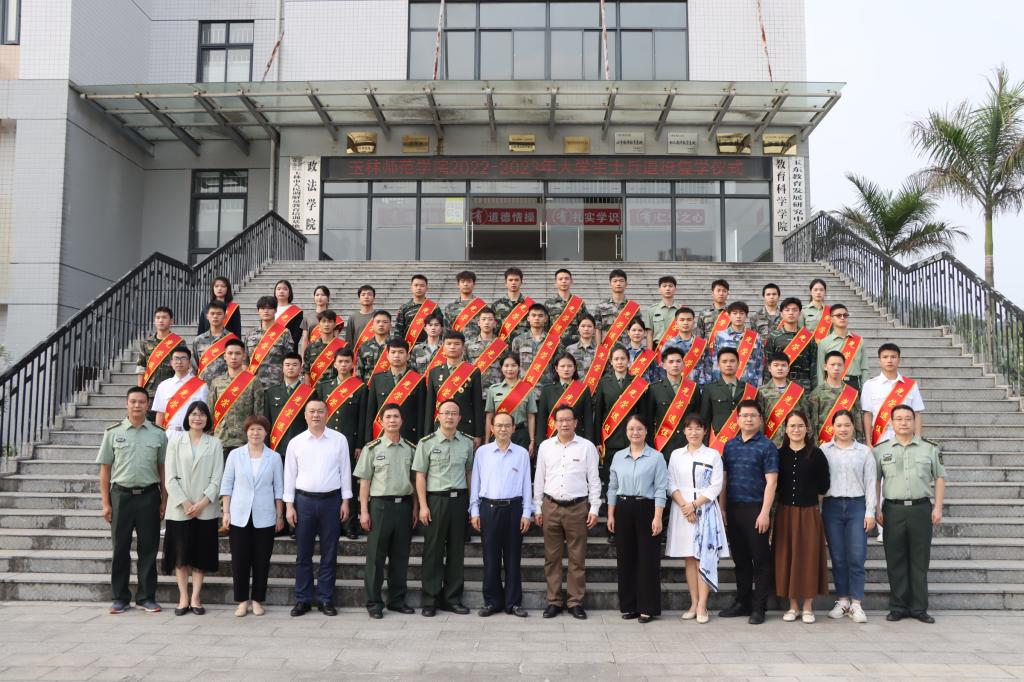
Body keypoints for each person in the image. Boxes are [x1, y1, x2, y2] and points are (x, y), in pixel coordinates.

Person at [96, 386, 168, 614]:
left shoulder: (158, 433)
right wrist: (105, 503)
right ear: (126, 404)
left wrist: (164, 500)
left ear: (148, 405)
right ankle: (120, 597)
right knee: (120, 548)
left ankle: (146, 597)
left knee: (148, 549)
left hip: (149, 496)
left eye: (141, 402)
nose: (137, 405)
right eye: (133, 401)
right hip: (121, 496)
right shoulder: (113, 433)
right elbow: (105, 471)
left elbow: (163, 469)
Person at [874, 404, 945, 624]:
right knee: (895, 559)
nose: (903, 422)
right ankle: (898, 607)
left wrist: (938, 507)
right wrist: (876, 507)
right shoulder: (881, 450)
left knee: (919, 560)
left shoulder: (929, 448)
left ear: (914, 421)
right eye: (899, 419)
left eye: (908, 418)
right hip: (893, 510)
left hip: (920, 508)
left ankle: (919, 608)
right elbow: (875, 481)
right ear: (891, 423)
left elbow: (939, 478)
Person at [283, 399, 353, 617]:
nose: (316, 415)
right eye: (311, 411)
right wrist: (289, 506)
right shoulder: (296, 442)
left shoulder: (339, 440)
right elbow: (289, 475)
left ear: (327, 414)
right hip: (303, 502)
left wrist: (346, 501)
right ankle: (302, 599)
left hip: (331, 502)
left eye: (320, 411)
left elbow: (345, 471)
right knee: (303, 554)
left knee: (329, 553)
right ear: (305, 415)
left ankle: (325, 599)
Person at [534, 405, 601, 620]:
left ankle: (575, 602)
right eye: (560, 420)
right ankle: (554, 601)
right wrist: (537, 506)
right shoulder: (545, 446)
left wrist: (595, 507)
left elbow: (594, 480)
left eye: (568, 419)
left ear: (575, 422)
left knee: (577, 558)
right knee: (552, 557)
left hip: (577, 507)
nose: (564, 424)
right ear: (554, 423)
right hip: (551, 506)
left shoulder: (587, 447)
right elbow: (539, 478)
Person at [355, 404, 418, 619]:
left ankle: (397, 600)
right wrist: (364, 511)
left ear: (402, 420)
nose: (392, 420)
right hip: (380, 507)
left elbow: (414, 481)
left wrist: (415, 508)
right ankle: (374, 603)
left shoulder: (411, 448)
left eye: (396, 416)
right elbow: (364, 483)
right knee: (376, 558)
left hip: (404, 507)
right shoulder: (372, 449)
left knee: (400, 557)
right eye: (388, 417)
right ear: (381, 421)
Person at [413, 400, 475, 617]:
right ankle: (430, 599)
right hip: (436, 501)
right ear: (438, 416)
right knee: (433, 551)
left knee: (457, 552)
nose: (450, 417)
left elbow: (469, 474)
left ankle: (452, 599)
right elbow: (420, 476)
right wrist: (423, 506)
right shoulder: (426, 443)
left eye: (454, 413)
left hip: (459, 501)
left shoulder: (467, 443)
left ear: (459, 418)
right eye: (446, 413)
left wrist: (471, 505)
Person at [719, 400, 778, 625]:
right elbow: (724, 480)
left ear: (760, 419)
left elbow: (771, 482)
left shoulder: (767, 446)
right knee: (741, 560)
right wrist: (722, 508)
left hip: (756, 509)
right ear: (737, 419)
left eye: (753, 415)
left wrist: (765, 513)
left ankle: (759, 607)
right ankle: (742, 602)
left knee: (760, 560)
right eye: (744, 415)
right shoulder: (730, 445)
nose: (748, 419)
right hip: (734, 509)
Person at [162, 402, 223, 616]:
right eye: (194, 414)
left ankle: (196, 597)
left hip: (205, 509)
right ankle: (183, 597)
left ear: (208, 419)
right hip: (180, 509)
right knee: (181, 555)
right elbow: (169, 477)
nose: (198, 418)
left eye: (202, 414)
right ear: (187, 417)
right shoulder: (175, 442)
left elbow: (217, 478)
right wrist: (185, 503)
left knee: (200, 555)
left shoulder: (215, 443)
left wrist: (203, 502)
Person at [666, 415, 728, 624]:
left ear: (704, 431)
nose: (694, 432)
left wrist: (694, 505)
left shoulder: (713, 455)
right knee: (689, 558)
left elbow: (716, 485)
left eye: (698, 428)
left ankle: (703, 604)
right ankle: (693, 603)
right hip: (682, 510)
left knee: (703, 557)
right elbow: (670, 483)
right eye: (690, 429)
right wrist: (686, 506)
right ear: (684, 431)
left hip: (705, 509)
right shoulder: (676, 455)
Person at [470, 411, 533, 618]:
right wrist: (474, 510)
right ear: (492, 428)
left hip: (514, 509)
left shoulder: (521, 453)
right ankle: (492, 601)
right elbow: (476, 483)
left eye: (507, 425)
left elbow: (527, 484)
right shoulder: (482, 452)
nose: (503, 429)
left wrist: (527, 512)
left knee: (513, 558)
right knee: (491, 558)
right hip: (489, 509)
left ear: (514, 428)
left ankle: (513, 603)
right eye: (499, 425)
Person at [221, 415, 285, 617]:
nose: (255, 433)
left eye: (259, 429)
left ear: (266, 433)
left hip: (265, 515)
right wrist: (226, 512)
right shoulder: (235, 455)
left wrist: (279, 515)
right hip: (239, 514)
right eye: (251, 429)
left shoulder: (274, 457)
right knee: (240, 559)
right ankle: (242, 601)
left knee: (261, 559)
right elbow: (227, 485)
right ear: (246, 432)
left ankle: (257, 599)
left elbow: (279, 489)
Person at [607, 416, 668, 623]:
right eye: (631, 429)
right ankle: (629, 605)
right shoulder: (618, 457)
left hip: (647, 508)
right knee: (626, 558)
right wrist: (610, 514)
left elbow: (661, 488)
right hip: (623, 508)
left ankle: (647, 607)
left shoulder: (656, 457)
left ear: (646, 431)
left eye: (639, 429)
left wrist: (658, 517)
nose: (635, 433)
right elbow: (612, 487)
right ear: (626, 432)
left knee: (647, 559)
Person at [773, 411, 830, 623]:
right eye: (792, 426)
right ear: (785, 429)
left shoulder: (816, 454)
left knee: (808, 557)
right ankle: (793, 606)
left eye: (800, 426)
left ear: (807, 428)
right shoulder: (779, 454)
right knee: (787, 557)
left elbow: (824, 485)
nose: (796, 430)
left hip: (809, 513)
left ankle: (807, 606)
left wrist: (809, 502)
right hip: (785, 512)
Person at [821, 409, 876, 623]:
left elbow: (871, 483)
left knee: (857, 555)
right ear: (832, 427)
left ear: (854, 427)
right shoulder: (824, 450)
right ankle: (843, 600)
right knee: (838, 556)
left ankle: (856, 604)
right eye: (839, 425)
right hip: (832, 507)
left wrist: (870, 512)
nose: (843, 429)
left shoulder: (864, 452)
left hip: (857, 506)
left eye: (847, 425)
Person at [317, 346, 368, 539]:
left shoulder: (360, 387)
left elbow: (363, 417)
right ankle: (332, 524)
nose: (344, 365)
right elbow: (317, 415)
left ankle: (350, 526)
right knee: (329, 482)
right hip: (326, 442)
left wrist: (360, 444)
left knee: (350, 484)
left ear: (352, 364)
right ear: (334, 364)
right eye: (340, 361)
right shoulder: (324, 387)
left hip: (350, 443)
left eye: (347, 361)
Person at [595, 347, 650, 505]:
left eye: (623, 359)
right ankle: (610, 509)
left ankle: (630, 507)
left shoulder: (637, 383)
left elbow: (643, 414)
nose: (619, 362)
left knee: (632, 477)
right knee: (611, 478)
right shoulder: (604, 383)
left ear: (628, 361)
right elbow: (598, 413)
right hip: (611, 439)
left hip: (633, 440)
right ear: (611, 362)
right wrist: (598, 441)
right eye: (616, 359)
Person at [424, 331, 484, 446]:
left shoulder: (473, 371)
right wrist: (427, 433)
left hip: (465, 427)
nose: (452, 347)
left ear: (463, 347)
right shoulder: (434, 372)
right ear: (443, 347)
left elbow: (477, 405)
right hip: (439, 427)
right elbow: (430, 405)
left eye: (457, 344)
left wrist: (478, 434)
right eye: (449, 344)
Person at [208, 338, 265, 459]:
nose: (233, 357)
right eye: (230, 353)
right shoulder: (216, 382)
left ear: (244, 355)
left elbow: (258, 414)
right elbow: (210, 412)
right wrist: (210, 437)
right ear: (224, 356)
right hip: (220, 441)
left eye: (237, 353)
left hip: (244, 442)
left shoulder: (253, 381)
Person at [365, 338, 427, 447]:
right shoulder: (377, 379)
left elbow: (421, 414)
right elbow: (370, 412)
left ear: (408, 356)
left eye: (401, 352)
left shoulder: (418, 380)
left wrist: (420, 441)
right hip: (381, 435)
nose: (397, 356)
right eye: (393, 352)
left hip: (409, 438)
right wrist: (368, 440)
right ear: (387, 356)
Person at [861, 342, 925, 446]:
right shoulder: (869, 385)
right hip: (880, 438)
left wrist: (917, 439)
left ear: (899, 360)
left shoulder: (911, 385)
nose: (889, 360)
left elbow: (917, 414)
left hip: (906, 438)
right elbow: (867, 415)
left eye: (893, 357)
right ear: (879, 360)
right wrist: (868, 443)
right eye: (885, 357)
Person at [648, 346, 701, 458]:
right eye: (671, 362)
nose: (675, 365)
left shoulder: (693, 388)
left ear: (683, 364)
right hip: (663, 445)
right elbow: (648, 420)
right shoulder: (654, 389)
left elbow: (698, 417)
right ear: (663, 365)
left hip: (688, 444)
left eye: (678, 361)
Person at [262, 353, 311, 462]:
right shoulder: (271, 392)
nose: (290, 368)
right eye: (287, 365)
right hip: (277, 446)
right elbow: (266, 421)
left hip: (300, 446)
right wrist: (266, 446)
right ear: (282, 368)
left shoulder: (309, 393)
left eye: (294, 365)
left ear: (301, 368)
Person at [484, 354, 537, 453]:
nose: (510, 369)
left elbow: (531, 416)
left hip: (520, 434)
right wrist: (487, 440)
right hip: (499, 433)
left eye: (513, 365)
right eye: (506, 365)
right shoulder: (493, 390)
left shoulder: (527, 389)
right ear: (501, 368)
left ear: (519, 367)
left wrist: (532, 440)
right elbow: (489, 416)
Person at [536, 352, 594, 443]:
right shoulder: (547, 391)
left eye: (569, 366)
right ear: (556, 368)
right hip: (553, 439)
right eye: (562, 366)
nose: (566, 369)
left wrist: (589, 442)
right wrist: (540, 443)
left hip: (577, 439)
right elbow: (542, 420)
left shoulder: (583, 390)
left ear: (574, 368)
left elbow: (588, 419)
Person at [809, 350, 866, 444]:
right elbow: (813, 424)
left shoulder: (852, 393)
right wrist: (815, 448)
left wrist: (860, 444)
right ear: (825, 367)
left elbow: (858, 422)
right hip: (824, 444)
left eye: (839, 365)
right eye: (832, 364)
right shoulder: (816, 393)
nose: (836, 368)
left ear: (844, 367)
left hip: (849, 445)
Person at [136, 307, 183, 415]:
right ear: (154, 320)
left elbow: (183, 368)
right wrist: (140, 390)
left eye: (164, 317)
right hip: (149, 391)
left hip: (170, 391)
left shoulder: (178, 342)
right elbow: (141, 367)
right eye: (158, 318)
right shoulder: (146, 343)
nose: (161, 320)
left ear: (171, 320)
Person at [757, 352, 810, 447]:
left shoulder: (797, 390)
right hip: (771, 442)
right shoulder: (762, 392)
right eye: (776, 365)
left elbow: (806, 417)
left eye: (783, 365)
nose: (780, 368)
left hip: (795, 442)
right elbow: (759, 419)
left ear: (788, 368)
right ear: (769, 368)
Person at [705, 301, 763, 387]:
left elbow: (759, 363)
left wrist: (759, 386)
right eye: (735, 313)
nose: (738, 316)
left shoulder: (755, 337)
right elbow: (715, 362)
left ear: (746, 316)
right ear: (729, 316)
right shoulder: (720, 336)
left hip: (749, 384)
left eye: (741, 313)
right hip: (725, 384)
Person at [700, 347, 754, 438]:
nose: (728, 364)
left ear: (738, 364)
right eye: (724, 362)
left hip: (744, 439)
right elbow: (705, 420)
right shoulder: (710, 389)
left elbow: (756, 419)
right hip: (718, 440)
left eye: (732, 361)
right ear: (718, 365)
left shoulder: (748, 389)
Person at [152, 347, 208, 434]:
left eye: (183, 358)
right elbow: (160, 413)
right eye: (176, 358)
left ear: (189, 362)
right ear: (171, 362)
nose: (179, 362)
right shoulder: (163, 386)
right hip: (169, 433)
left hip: (192, 433)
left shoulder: (201, 386)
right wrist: (158, 436)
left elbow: (205, 413)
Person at [245, 295, 296, 391]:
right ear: (258, 311)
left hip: (276, 383)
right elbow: (245, 360)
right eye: (262, 308)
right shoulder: (250, 334)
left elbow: (289, 359)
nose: (266, 311)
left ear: (275, 310)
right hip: (254, 383)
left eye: (269, 308)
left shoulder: (284, 333)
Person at [765, 297, 817, 391]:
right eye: (787, 310)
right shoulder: (773, 337)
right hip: (780, 385)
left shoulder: (808, 337)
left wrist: (814, 389)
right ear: (781, 313)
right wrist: (767, 387)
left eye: (794, 310)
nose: (791, 313)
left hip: (803, 385)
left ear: (800, 313)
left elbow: (814, 365)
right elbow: (767, 364)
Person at [815, 303, 869, 390]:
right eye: (838, 315)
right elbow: (821, 370)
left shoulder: (859, 341)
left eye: (845, 315)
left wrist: (865, 389)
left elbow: (865, 368)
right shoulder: (824, 343)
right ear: (831, 319)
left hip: (854, 384)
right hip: (832, 385)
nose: (842, 318)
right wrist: (822, 390)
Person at [510, 302, 563, 388]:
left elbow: (559, 365)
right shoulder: (518, 340)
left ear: (546, 318)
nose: (536, 318)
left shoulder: (554, 341)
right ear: (528, 318)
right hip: (524, 387)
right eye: (533, 315)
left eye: (540, 316)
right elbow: (513, 364)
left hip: (547, 387)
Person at [662, 307, 708, 385]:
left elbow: (708, 368)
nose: (685, 323)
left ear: (694, 322)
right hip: (676, 387)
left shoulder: (702, 344)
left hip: (699, 387)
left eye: (689, 320)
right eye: (682, 320)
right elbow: (663, 369)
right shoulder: (669, 344)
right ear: (676, 323)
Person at [544, 268, 590, 346]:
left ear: (571, 281)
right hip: (555, 345)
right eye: (560, 279)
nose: (564, 281)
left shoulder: (579, 303)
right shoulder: (548, 303)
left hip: (575, 345)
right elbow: (544, 326)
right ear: (555, 282)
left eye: (566, 279)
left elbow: (586, 323)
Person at [193, 300, 234, 384]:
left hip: (224, 386)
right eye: (212, 313)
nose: (215, 316)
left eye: (219, 314)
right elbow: (195, 365)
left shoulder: (232, 340)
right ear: (207, 316)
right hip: (203, 386)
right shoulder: (198, 340)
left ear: (225, 316)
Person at [465, 307, 504, 390]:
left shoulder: (502, 345)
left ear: (495, 323)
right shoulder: (468, 345)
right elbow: (464, 367)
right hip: (475, 388)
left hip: (496, 389)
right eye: (483, 319)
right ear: (479, 323)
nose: (486, 322)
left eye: (490, 319)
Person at [593, 268, 639, 337]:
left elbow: (637, 328)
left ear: (626, 284)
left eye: (621, 281)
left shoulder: (633, 307)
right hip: (607, 343)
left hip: (627, 343)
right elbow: (597, 329)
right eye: (615, 281)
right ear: (610, 284)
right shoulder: (601, 306)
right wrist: (598, 344)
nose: (618, 283)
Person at [303, 309, 343, 385]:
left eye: (330, 321)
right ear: (319, 324)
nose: (326, 324)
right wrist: (308, 391)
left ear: (335, 324)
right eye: (323, 321)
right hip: (315, 389)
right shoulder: (310, 348)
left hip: (335, 389)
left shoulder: (342, 347)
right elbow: (307, 372)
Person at [444, 270, 485, 342]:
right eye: (462, 282)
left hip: (477, 345)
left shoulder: (482, 306)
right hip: (456, 345)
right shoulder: (450, 307)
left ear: (474, 284)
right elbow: (446, 330)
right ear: (458, 284)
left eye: (469, 281)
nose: (465, 284)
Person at [492, 267, 532, 340]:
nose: (513, 282)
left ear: (521, 282)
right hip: (503, 345)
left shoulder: (530, 305)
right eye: (510, 280)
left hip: (524, 344)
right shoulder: (496, 305)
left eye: (516, 280)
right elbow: (492, 328)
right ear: (505, 283)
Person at [395, 274, 435, 346]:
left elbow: (440, 328)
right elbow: (398, 330)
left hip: (428, 348)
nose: (419, 288)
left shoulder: (434, 307)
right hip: (409, 347)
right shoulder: (404, 308)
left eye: (422, 286)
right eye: (416, 285)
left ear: (427, 288)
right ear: (411, 287)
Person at [357, 310, 395, 381]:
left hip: (391, 385)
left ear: (390, 325)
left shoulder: (396, 345)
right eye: (378, 322)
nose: (381, 324)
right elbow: (359, 371)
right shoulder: (364, 347)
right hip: (369, 385)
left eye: (385, 322)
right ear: (372, 325)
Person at [622, 319, 663, 383]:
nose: (637, 333)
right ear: (628, 332)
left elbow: (655, 378)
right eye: (634, 330)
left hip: (646, 388)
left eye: (640, 330)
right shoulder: (622, 352)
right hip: (627, 388)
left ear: (645, 333)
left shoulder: (649, 355)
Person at [644, 275, 679, 349]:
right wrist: (650, 352)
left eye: (670, 286)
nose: (667, 288)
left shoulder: (681, 310)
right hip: (658, 348)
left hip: (678, 348)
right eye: (664, 286)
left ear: (675, 289)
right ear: (659, 289)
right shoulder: (652, 310)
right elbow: (649, 334)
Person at [273, 279, 305, 352]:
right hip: (269, 350)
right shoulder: (269, 309)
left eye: (285, 289)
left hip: (288, 351)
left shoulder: (296, 312)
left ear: (290, 292)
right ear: (275, 292)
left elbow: (296, 336)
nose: (281, 291)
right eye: (278, 289)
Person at [565, 314, 599, 378]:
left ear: (594, 330)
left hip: (594, 383)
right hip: (574, 383)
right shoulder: (569, 349)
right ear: (578, 328)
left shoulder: (600, 351)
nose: (586, 329)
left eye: (589, 326)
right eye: (583, 326)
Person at [345, 284, 378, 350]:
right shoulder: (353, 318)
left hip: (376, 353)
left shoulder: (379, 316)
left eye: (369, 294)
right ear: (359, 298)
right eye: (363, 294)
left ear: (374, 298)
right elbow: (349, 340)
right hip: (357, 354)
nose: (366, 297)